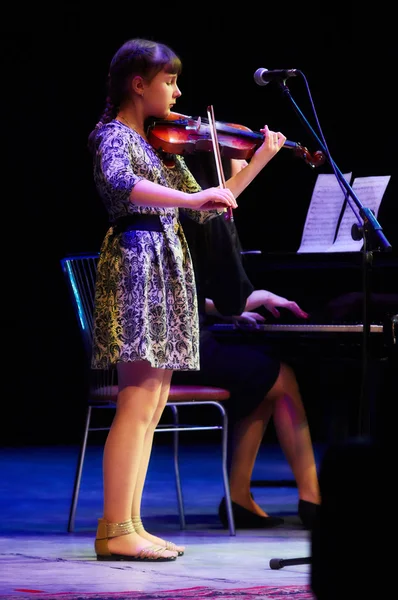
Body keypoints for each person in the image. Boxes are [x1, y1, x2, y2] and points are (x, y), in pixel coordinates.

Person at [88, 37, 286, 561]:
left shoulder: (163, 146)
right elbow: (121, 183)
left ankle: (127, 524)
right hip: (136, 261)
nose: (178, 91)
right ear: (139, 84)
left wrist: (260, 159)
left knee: (152, 403)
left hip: (166, 266)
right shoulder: (111, 135)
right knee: (137, 399)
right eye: (169, 81)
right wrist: (191, 196)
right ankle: (114, 527)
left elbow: (209, 208)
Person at [173, 154, 321, 529]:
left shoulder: (199, 214)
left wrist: (236, 308)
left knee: (265, 376)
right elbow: (197, 297)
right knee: (279, 378)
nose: (244, 171)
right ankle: (313, 498)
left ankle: (240, 497)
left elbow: (195, 297)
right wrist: (240, 303)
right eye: (238, 162)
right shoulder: (202, 216)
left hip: (185, 334)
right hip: (178, 346)